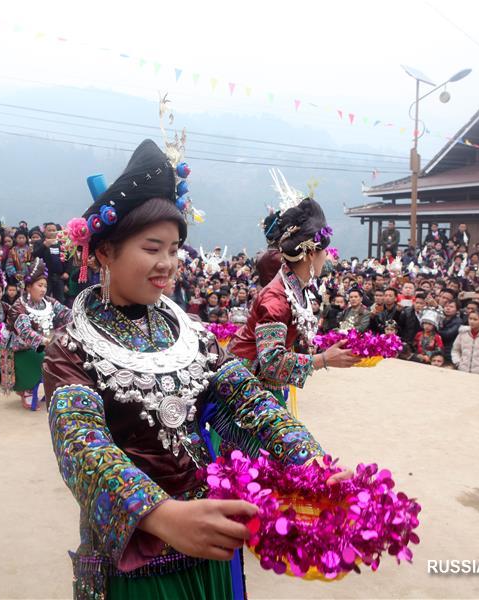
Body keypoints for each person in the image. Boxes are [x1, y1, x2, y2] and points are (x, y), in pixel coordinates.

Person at [43, 138, 348, 599]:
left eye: (175, 248)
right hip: (138, 556)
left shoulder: (195, 336)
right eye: (152, 247)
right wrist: (159, 514)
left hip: (207, 541)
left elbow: (245, 400)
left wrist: (309, 462)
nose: (167, 263)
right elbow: (81, 445)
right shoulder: (70, 347)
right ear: (104, 251)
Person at [229, 171, 359, 407]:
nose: (327, 257)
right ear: (310, 253)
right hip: (246, 390)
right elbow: (271, 363)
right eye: (324, 252)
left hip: (263, 385)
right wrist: (323, 359)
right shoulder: (276, 298)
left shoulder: (296, 288)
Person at [6, 258, 71, 407]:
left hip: (45, 345)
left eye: (45, 286)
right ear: (29, 287)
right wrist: (45, 341)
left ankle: (56, 389)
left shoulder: (48, 302)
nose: (43, 289)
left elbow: (66, 314)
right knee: (47, 355)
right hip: (22, 349)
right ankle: (27, 388)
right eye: (39, 285)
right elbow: (26, 332)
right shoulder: (18, 307)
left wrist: (82, 317)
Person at [451, 308, 479, 375]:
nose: (472, 321)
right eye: (470, 318)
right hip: (462, 370)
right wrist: (458, 363)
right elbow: (455, 350)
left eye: (475, 319)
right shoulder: (462, 333)